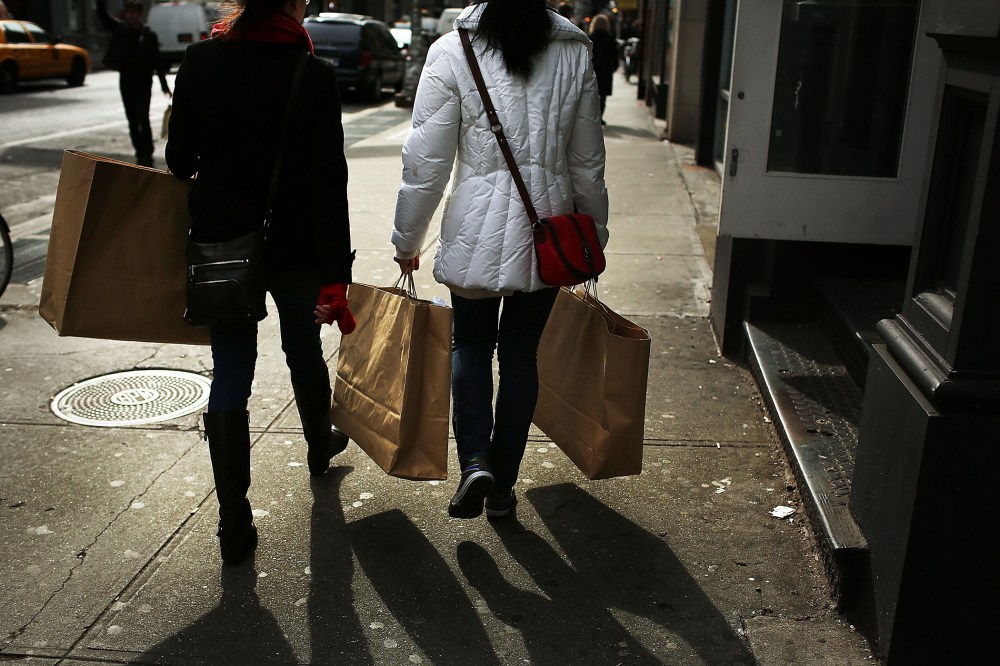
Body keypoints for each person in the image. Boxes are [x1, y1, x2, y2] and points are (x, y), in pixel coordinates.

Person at [392, 0, 609, 520]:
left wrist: (407, 239)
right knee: (518, 356)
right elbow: (587, 160)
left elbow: (427, 160)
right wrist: (593, 236)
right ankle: (504, 488)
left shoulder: (452, 49)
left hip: (475, 230)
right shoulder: (574, 53)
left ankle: (474, 462)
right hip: (548, 234)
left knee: (469, 343)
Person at [166, 0, 356, 565]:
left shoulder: (201, 60)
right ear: (294, 6)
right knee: (303, 350)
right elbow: (330, 179)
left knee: (231, 372)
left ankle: (233, 521)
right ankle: (319, 445)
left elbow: (179, 160)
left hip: (224, 245)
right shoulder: (312, 73)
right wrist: (335, 274)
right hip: (297, 247)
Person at [95, 0, 171, 167]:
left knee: (142, 116)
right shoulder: (121, 29)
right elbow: (103, 16)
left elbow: (157, 62)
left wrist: (164, 86)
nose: (131, 15)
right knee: (132, 118)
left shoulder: (149, 35)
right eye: (128, 12)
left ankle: (148, 151)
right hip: (127, 81)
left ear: (140, 14)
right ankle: (139, 152)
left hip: (144, 81)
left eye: (134, 12)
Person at [589, 13, 619, 125]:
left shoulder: (590, 38)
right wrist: (613, 67)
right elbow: (615, 56)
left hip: (593, 69)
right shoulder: (610, 38)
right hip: (605, 69)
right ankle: (600, 117)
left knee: (592, 95)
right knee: (603, 96)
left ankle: (592, 117)